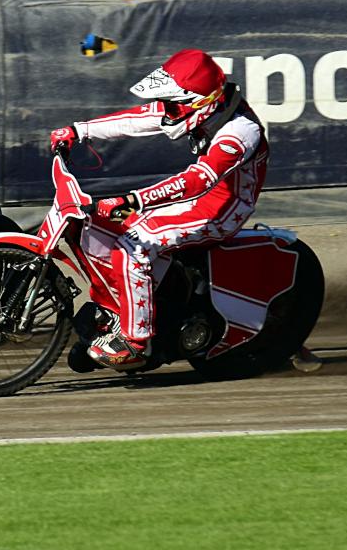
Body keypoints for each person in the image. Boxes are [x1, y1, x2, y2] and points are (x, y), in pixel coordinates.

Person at [50, 48, 269, 370]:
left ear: (201, 102)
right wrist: (79, 130)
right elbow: (141, 118)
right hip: (193, 200)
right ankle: (118, 311)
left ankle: (136, 342)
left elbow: (197, 181)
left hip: (222, 210)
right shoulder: (200, 108)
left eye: (172, 104)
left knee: (132, 247)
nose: (165, 110)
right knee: (93, 223)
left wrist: (132, 200)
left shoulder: (240, 132)